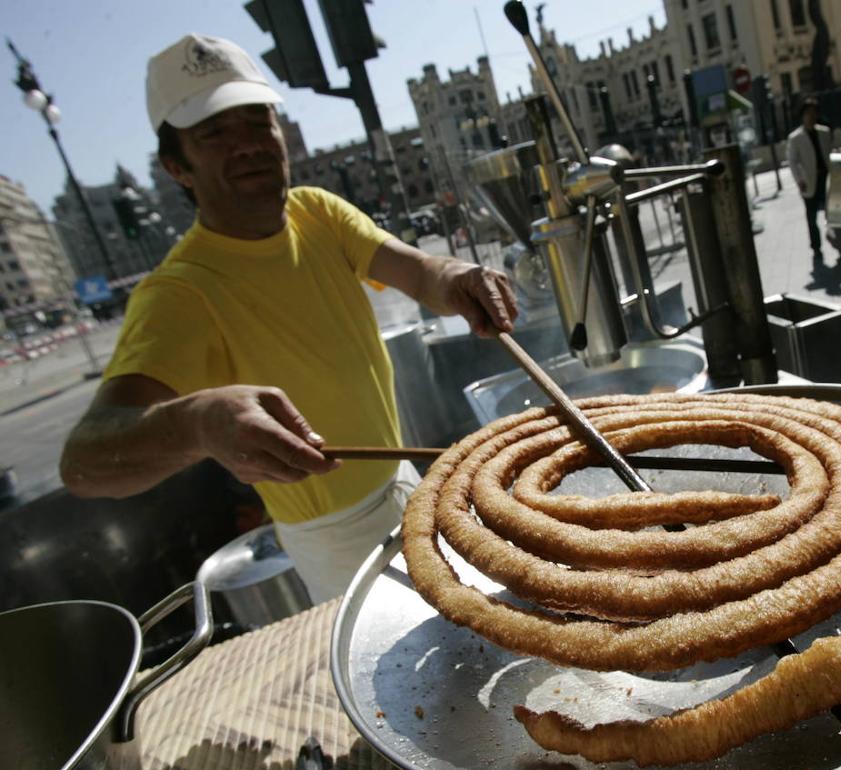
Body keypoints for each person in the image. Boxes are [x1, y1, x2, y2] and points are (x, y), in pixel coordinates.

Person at [58, 34, 519, 602]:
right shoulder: (178, 292)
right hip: (335, 538)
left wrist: (456, 276)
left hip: (407, 481)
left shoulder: (318, 212)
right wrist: (198, 422)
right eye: (215, 134)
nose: (247, 144)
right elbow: (83, 464)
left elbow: (422, 272)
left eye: (257, 122)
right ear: (177, 166)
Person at [786, 96, 836, 266]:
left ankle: (839, 242)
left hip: (826, 178)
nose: (811, 116)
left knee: (834, 213)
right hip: (809, 181)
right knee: (811, 217)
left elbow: (831, 154)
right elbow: (792, 161)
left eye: (814, 113)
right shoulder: (796, 138)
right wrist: (799, 179)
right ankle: (816, 247)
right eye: (808, 113)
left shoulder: (824, 132)